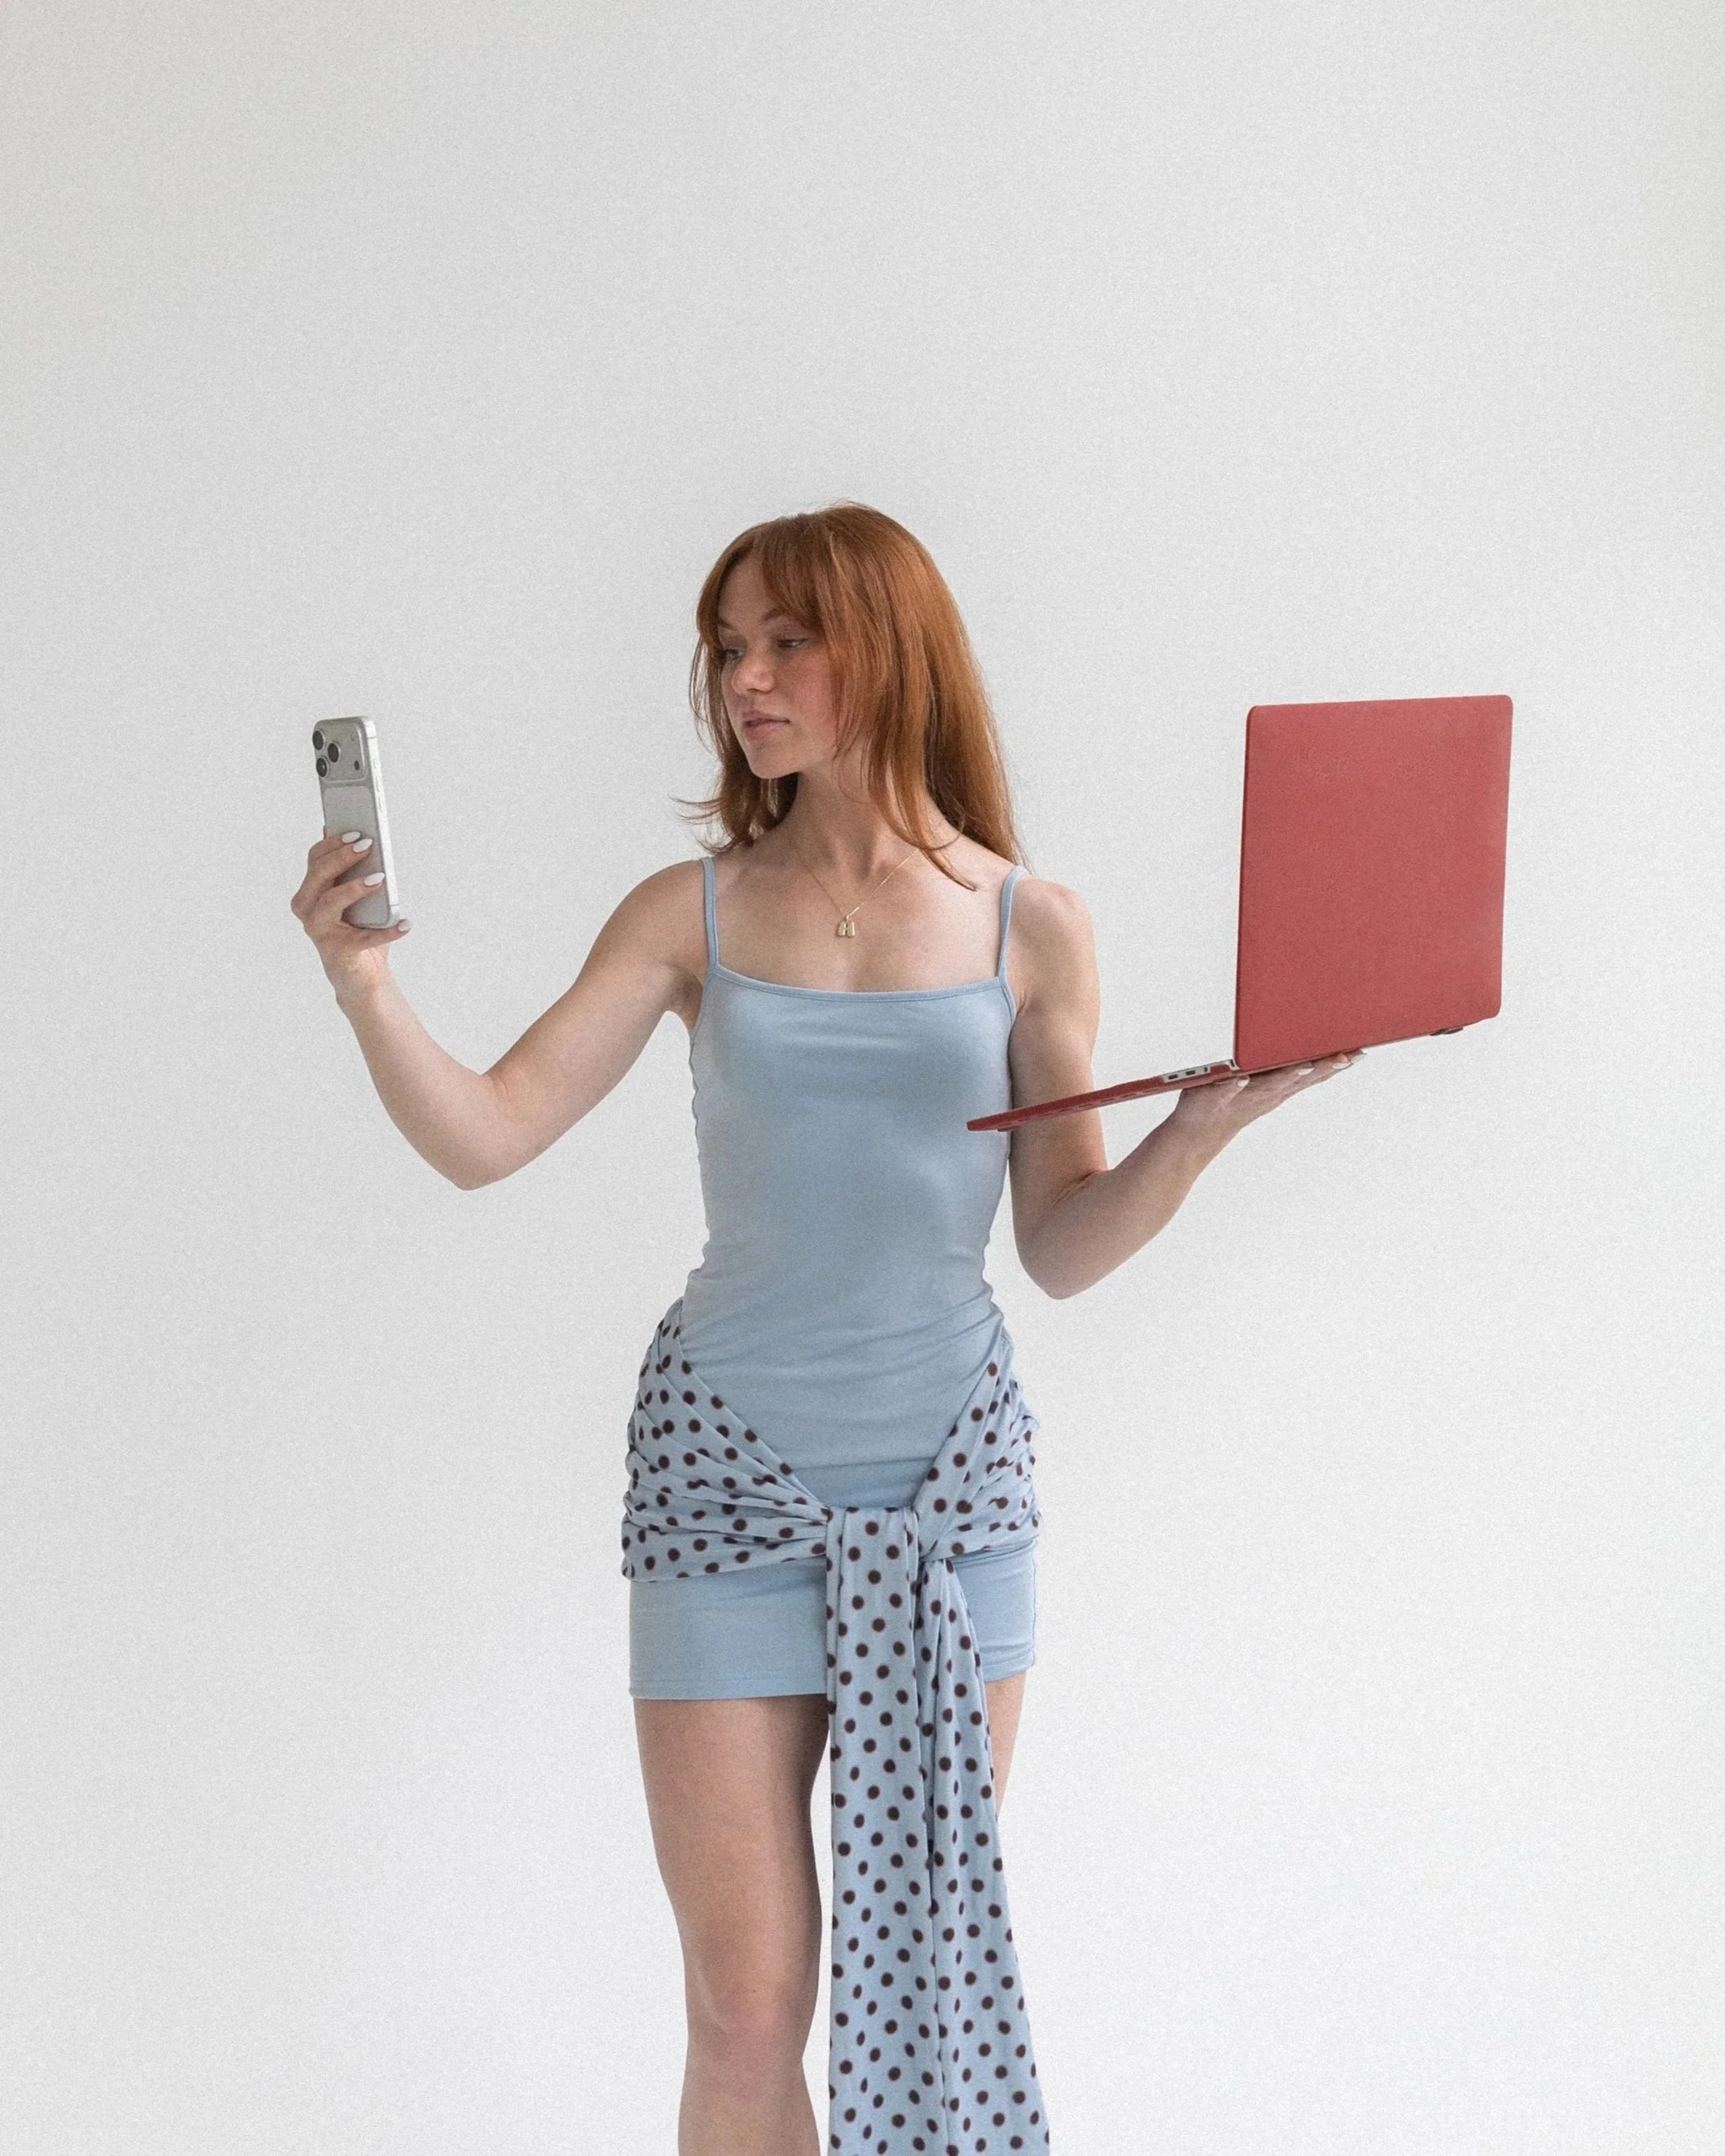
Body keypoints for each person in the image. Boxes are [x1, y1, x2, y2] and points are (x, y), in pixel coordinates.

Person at [291, 502, 1357, 2155]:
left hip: (951, 1489)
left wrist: (1203, 1128)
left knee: (913, 1978)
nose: (746, 678)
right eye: (727, 647)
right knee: (747, 2009)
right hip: (726, 1479)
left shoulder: (1032, 924)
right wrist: (364, 983)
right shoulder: (689, 914)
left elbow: (1062, 1245)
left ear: (889, 647)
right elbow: (490, 1133)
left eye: (787, 638)